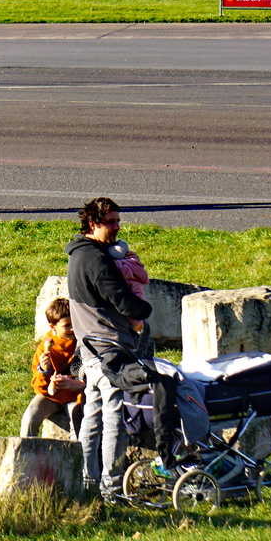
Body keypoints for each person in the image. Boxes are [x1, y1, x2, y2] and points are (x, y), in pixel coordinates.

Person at [65, 196, 173, 503]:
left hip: (90, 350)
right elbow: (124, 301)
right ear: (92, 224)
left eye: (117, 221)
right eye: (110, 222)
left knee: (92, 416)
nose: (116, 227)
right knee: (114, 417)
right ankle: (110, 490)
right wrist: (146, 308)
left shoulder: (80, 255)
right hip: (109, 348)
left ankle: (85, 484)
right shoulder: (96, 261)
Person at [21, 297, 85, 438]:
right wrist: (44, 371)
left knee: (79, 424)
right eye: (67, 325)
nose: (72, 329)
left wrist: (78, 385)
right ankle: (26, 456)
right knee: (30, 417)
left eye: (74, 322)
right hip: (53, 397)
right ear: (52, 327)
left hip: (77, 395)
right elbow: (40, 389)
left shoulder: (83, 341)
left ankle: (78, 458)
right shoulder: (45, 349)